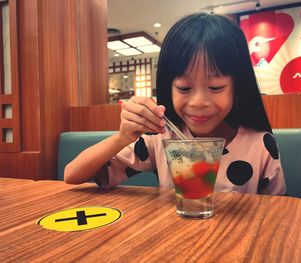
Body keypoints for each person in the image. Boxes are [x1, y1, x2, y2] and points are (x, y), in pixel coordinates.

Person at [64, 13, 286, 195]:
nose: (198, 102)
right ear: (168, 88)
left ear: (237, 88)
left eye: (216, 87)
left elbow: (278, 212)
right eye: (184, 88)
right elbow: (72, 175)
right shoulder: (162, 138)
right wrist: (123, 137)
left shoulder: (260, 146)